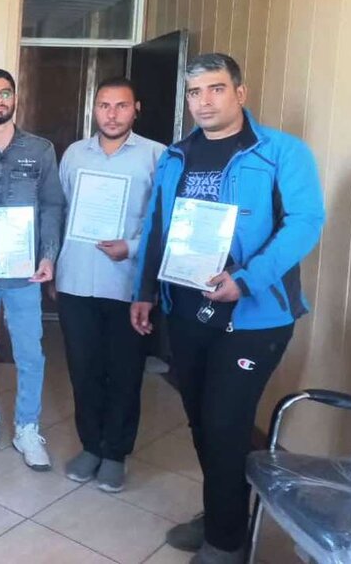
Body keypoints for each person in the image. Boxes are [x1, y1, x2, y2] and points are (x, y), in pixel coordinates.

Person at [131, 53, 325, 564]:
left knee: (224, 423)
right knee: (200, 420)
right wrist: (144, 291)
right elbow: (158, 227)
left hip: (254, 317)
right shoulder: (177, 156)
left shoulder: (281, 152)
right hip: (186, 309)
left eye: (216, 89)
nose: (204, 102)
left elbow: (305, 222)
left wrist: (247, 279)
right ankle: (224, 512)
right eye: (195, 92)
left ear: (240, 93)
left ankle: (226, 541)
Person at [56, 76, 165, 491]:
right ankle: (91, 446)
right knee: (83, 371)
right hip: (75, 281)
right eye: (104, 105)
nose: (112, 114)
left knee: (124, 373)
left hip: (126, 286)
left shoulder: (156, 156)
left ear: (136, 109)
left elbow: (163, 222)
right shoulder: (74, 154)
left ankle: (115, 453)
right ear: (94, 109)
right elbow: (63, 211)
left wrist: (132, 247)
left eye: (121, 106)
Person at [0, 68, 65, 470]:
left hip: (25, 272)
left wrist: (49, 255)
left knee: (29, 353)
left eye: (5, 93)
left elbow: (53, 204)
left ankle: (27, 427)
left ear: (15, 98)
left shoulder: (40, 149)